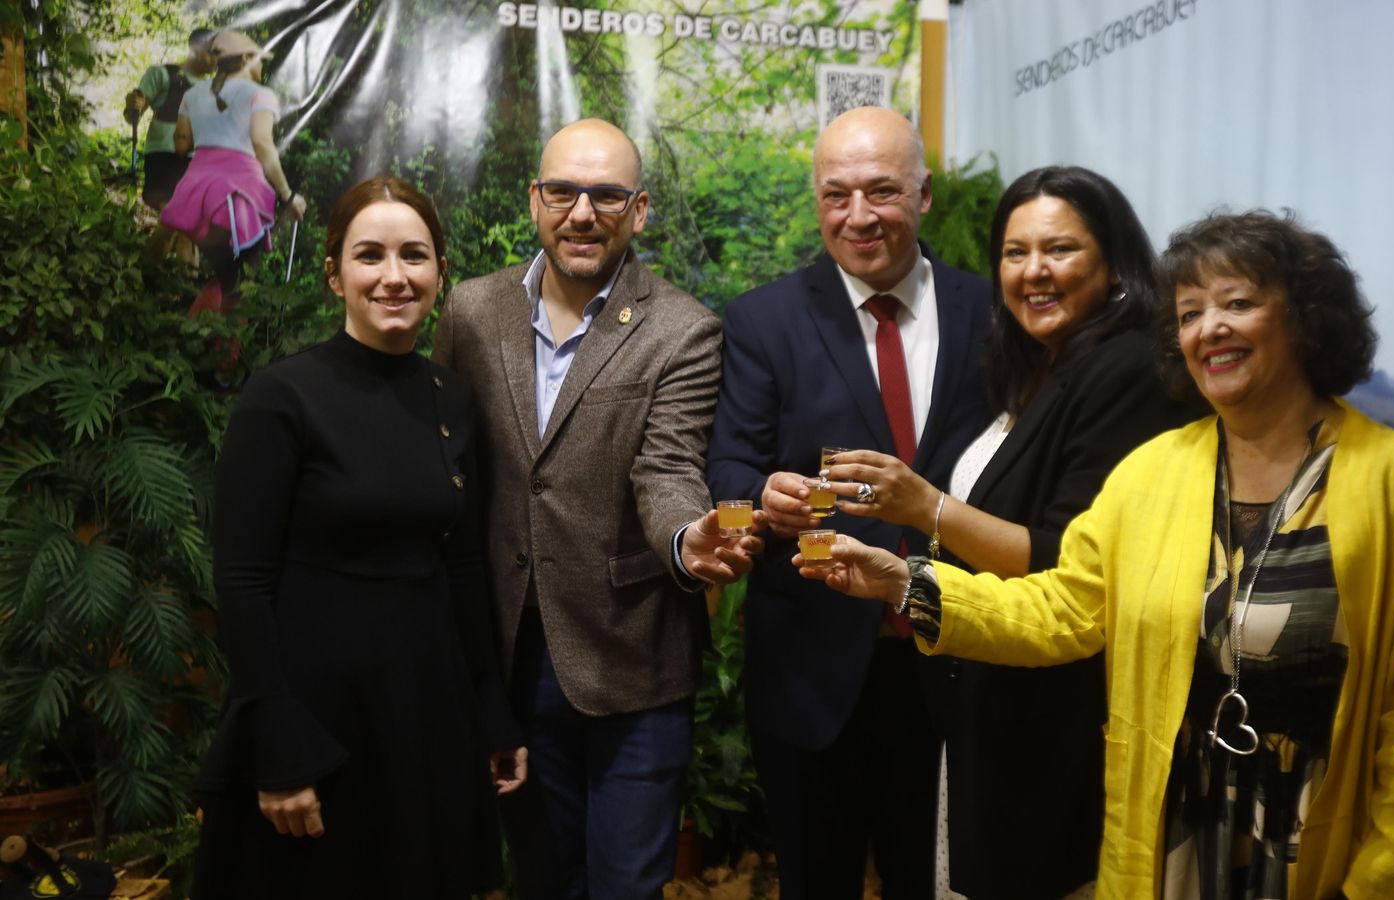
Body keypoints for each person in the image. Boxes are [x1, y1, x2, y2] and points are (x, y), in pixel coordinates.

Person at [804, 210, 1394, 899]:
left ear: (1306, 319)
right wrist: (906, 584)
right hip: (1172, 846)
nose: (1208, 328)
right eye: (1189, 313)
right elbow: (1062, 608)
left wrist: (1384, 884)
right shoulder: (1152, 472)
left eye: (1239, 303)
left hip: (1322, 855)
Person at [821, 165, 1202, 899]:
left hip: (1054, 718)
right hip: (988, 710)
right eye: (1014, 252)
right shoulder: (1044, 367)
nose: (1033, 272)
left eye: (1059, 250)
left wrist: (922, 506)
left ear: (1115, 264)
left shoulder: (1128, 371)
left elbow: (1062, 563)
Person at [432, 117, 763, 900]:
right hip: (510, 657)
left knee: (625, 886)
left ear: (639, 210)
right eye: (564, 192)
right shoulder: (471, 313)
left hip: (632, 658)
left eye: (607, 195)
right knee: (544, 878)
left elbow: (669, 468)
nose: (583, 213)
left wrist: (688, 541)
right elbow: (447, 470)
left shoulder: (683, 329)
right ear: (535, 200)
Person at [191, 176, 527, 899]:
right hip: (317, 718)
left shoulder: (452, 399)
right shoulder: (281, 397)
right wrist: (275, 744)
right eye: (369, 256)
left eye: (415, 256)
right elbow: (243, 585)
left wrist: (490, 710)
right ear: (334, 274)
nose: (394, 277)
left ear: (441, 272)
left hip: (425, 713)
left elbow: (464, 565)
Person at [705, 105, 992, 898]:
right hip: (812, 667)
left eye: (881, 191)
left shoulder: (991, 313)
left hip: (956, 656)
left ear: (924, 194)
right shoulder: (764, 320)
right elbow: (726, 466)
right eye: (836, 195)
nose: (858, 216)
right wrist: (758, 498)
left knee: (935, 879)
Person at [160, 29, 306, 315]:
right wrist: (288, 196)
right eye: (260, 60)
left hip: (196, 193)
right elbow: (262, 143)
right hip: (239, 195)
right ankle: (222, 348)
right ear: (246, 59)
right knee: (238, 282)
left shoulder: (192, 94)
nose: (262, 67)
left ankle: (200, 331)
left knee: (224, 275)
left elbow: (181, 143)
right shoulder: (260, 95)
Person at [123, 26, 213, 264]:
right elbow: (135, 112)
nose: (216, 59)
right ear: (195, 48)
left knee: (189, 226)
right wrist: (134, 106)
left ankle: (180, 285)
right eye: (211, 52)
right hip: (164, 157)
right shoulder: (163, 75)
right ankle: (149, 271)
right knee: (175, 215)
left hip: (195, 162)